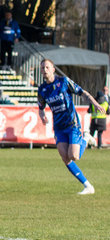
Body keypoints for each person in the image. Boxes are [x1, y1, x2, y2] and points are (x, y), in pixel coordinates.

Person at [37, 59, 105, 194]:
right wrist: (42, 116)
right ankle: (88, 186)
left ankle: (85, 138)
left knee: (74, 156)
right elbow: (40, 107)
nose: (44, 70)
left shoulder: (64, 82)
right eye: (43, 68)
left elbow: (82, 92)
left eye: (47, 67)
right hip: (58, 127)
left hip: (72, 123)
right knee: (65, 157)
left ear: (53, 69)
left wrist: (95, 103)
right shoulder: (42, 90)